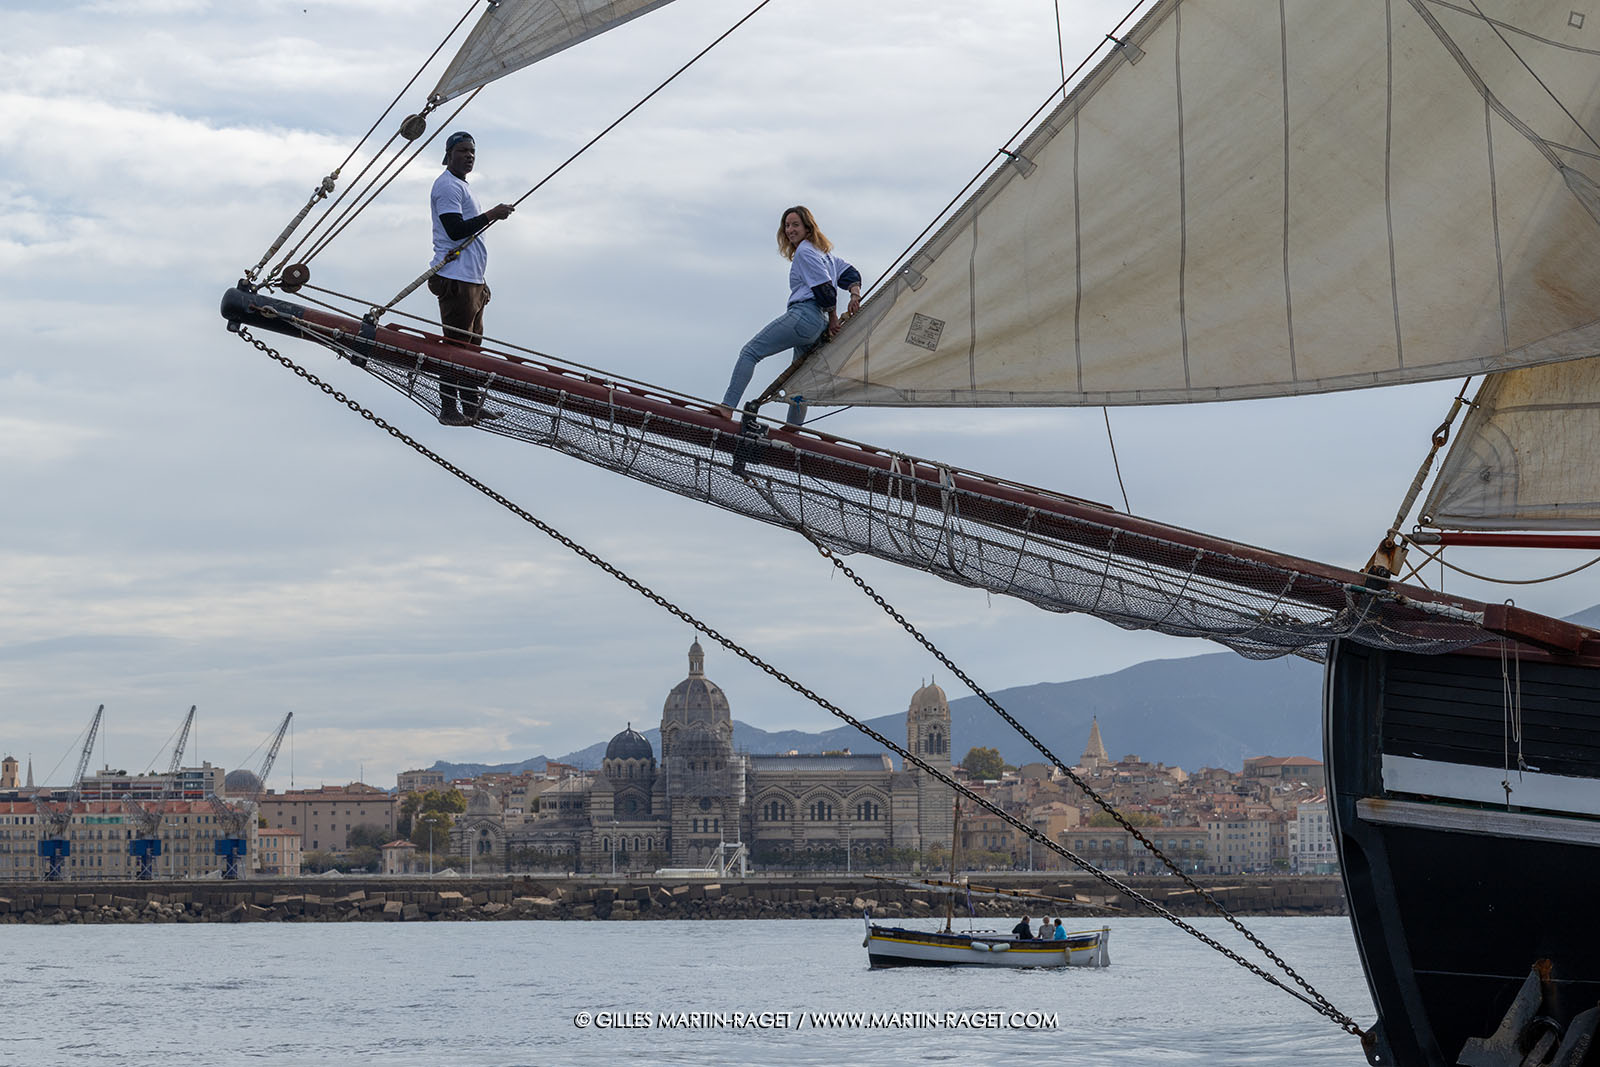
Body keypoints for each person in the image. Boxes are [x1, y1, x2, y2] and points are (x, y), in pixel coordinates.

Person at [717, 205, 862, 424]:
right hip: (817, 324)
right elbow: (851, 274)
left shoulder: (805, 251)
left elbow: (825, 290)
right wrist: (854, 295)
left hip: (805, 316)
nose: (790, 230)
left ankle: (727, 407)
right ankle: (793, 429)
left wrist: (833, 319)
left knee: (750, 352)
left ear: (807, 228)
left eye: (795, 225)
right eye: (786, 225)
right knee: (798, 379)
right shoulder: (825, 254)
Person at [429, 131, 515, 425]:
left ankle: (471, 405)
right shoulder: (447, 187)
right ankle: (448, 409)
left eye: (472, 152)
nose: (469, 156)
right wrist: (491, 214)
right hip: (456, 279)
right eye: (463, 151)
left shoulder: (464, 187)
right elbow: (454, 230)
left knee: (471, 349)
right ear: (449, 155)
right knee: (455, 347)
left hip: (472, 280)